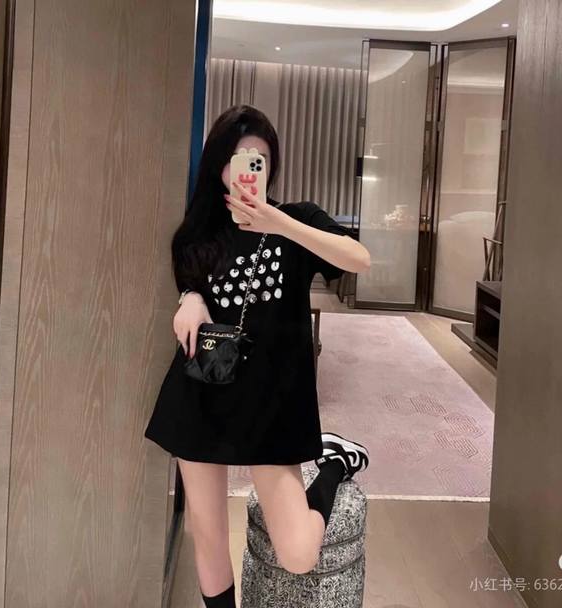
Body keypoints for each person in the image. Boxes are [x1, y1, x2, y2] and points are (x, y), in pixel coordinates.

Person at [144, 104, 371, 608]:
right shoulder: (200, 233)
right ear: (218, 166)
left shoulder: (299, 220)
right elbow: (189, 280)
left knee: (298, 554)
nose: (247, 169)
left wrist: (278, 222)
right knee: (208, 536)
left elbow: (359, 259)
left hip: (271, 403)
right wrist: (190, 297)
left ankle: (334, 463)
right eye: (237, 158)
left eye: (258, 159)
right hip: (203, 392)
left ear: (270, 167)